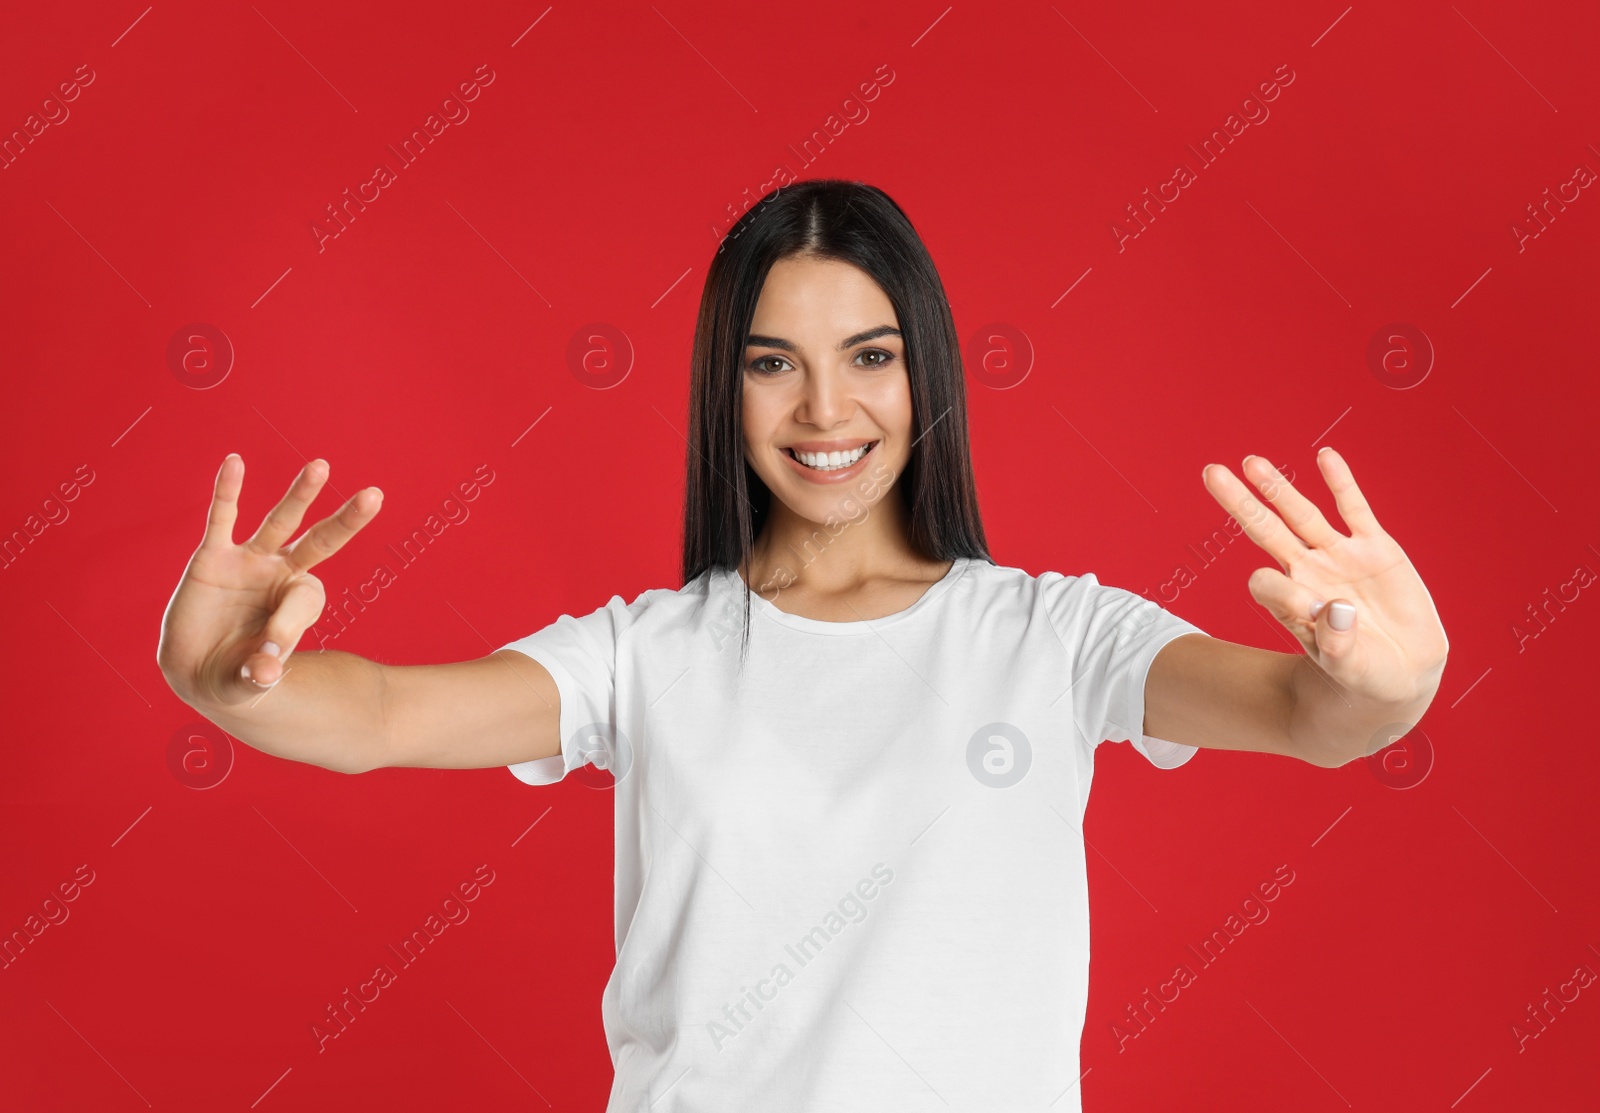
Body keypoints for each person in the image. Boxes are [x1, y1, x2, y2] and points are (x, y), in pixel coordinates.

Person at [156, 179, 1449, 1111]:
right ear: (726, 382)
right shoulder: (649, 656)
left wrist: (1394, 683)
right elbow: (379, 714)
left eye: (869, 356)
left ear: (922, 369)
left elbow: (1304, 712)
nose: (826, 408)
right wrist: (214, 675)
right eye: (774, 361)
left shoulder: (1056, 636)